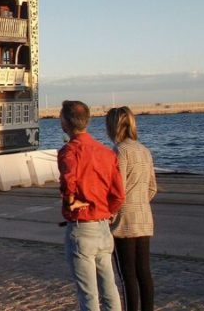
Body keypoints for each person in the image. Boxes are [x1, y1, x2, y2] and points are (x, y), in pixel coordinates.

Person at [58, 100, 125, 311]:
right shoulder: (106, 152)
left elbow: (68, 183)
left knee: (88, 294)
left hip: (82, 227)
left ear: (66, 122)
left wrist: (72, 202)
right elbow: (118, 194)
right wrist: (107, 211)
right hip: (103, 227)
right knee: (109, 287)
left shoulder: (69, 151)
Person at [105, 106, 157, 311]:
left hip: (124, 221)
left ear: (113, 127)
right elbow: (152, 187)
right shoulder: (144, 150)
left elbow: (118, 189)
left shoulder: (119, 152)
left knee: (127, 275)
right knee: (144, 272)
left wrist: (111, 214)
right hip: (144, 218)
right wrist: (140, 201)